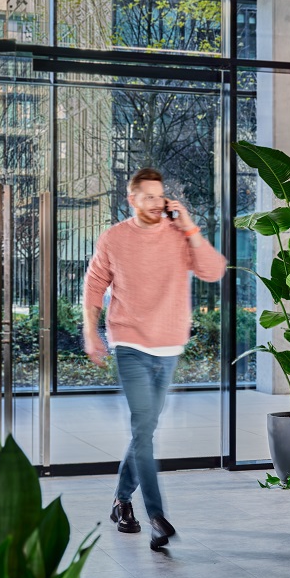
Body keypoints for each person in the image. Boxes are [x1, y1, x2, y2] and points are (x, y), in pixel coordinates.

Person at [83, 167, 226, 550]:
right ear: (131, 199)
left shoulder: (179, 235)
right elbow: (94, 286)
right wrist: (90, 333)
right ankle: (157, 518)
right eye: (147, 196)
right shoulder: (114, 238)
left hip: (169, 347)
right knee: (144, 430)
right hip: (129, 344)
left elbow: (214, 270)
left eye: (159, 196)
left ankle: (121, 501)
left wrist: (190, 227)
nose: (155, 203)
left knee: (144, 430)